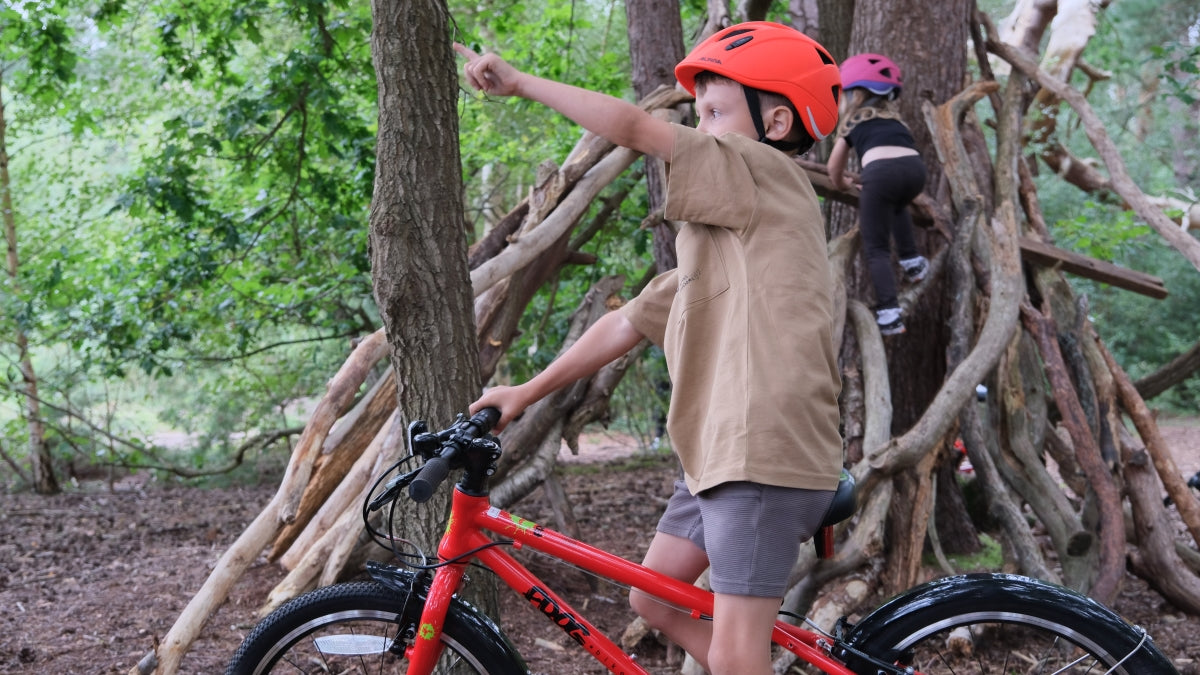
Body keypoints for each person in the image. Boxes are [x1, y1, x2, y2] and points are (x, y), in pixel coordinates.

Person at [457, 22, 843, 675]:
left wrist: (521, 83)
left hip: (763, 449)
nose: (700, 128)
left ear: (776, 123)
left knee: (737, 646)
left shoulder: (765, 171)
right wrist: (526, 391)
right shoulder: (726, 247)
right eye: (699, 115)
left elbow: (636, 129)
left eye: (716, 113)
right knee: (654, 598)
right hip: (719, 455)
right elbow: (628, 322)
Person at [826, 53, 928, 336]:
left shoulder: (853, 123)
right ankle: (913, 263)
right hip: (915, 173)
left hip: (880, 176)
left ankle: (889, 313)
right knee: (897, 204)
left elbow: (834, 168)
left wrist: (842, 184)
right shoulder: (897, 122)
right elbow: (896, 161)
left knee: (877, 249)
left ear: (854, 94)